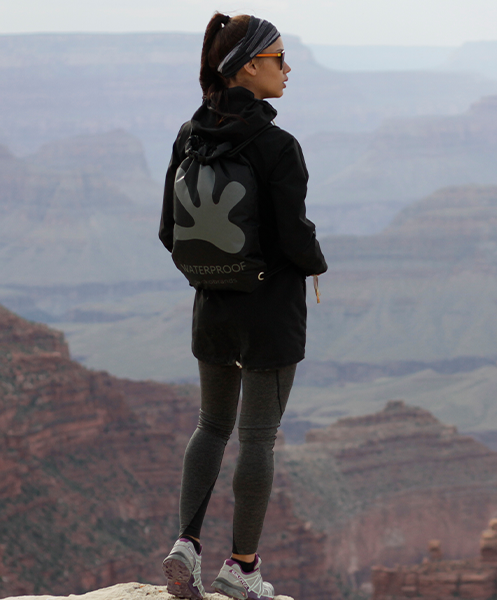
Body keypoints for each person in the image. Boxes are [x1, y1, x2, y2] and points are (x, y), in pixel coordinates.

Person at [157, 12, 327, 600]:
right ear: (250, 67)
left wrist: (215, 274)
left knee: (210, 426)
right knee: (257, 439)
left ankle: (186, 544)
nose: (288, 69)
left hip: (212, 305)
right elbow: (292, 237)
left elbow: (168, 231)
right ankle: (242, 568)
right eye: (279, 58)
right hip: (270, 311)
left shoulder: (189, 134)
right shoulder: (279, 146)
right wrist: (315, 260)